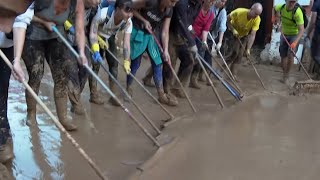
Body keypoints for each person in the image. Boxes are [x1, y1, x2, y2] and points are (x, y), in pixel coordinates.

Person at [21, 0, 88, 131]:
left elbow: (80, 30)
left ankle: (63, 118)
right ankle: (31, 113)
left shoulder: (78, 3)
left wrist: (81, 52)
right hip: (33, 32)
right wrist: (43, 22)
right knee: (36, 74)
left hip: (56, 34)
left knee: (61, 76)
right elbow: (23, 13)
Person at [126, 0, 179, 106]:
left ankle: (161, 95)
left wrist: (166, 50)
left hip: (151, 35)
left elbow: (165, 31)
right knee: (135, 64)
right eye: (172, 1)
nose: (173, 5)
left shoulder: (169, 10)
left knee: (158, 62)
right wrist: (144, 20)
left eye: (175, 2)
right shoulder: (151, 2)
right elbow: (130, 8)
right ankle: (128, 87)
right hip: (138, 31)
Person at [0, 3, 30, 165]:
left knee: (2, 90)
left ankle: (2, 138)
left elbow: (19, 23)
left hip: (6, 48)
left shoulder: (27, 4)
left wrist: (17, 60)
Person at [89, 0, 133, 106]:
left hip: (109, 36)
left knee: (114, 64)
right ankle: (93, 94)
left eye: (131, 11)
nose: (129, 14)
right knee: (96, 65)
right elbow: (92, 33)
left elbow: (126, 44)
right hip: (95, 34)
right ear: (117, 9)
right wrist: (95, 50)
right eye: (126, 10)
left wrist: (127, 60)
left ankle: (113, 95)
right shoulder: (103, 14)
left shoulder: (128, 22)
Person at [227, 3, 262, 80]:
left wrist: (248, 49)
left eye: (258, 14)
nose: (256, 16)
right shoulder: (239, 12)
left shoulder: (257, 19)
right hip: (234, 33)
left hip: (244, 35)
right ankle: (222, 69)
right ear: (251, 9)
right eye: (255, 13)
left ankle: (233, 74)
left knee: (240, 55)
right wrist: (233, 30)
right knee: (235, 52)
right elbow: (227, 20)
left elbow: (252, 34)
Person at [274, 0, 304, 85]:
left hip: (294, 35)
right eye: (290, 1)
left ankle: (287, 76)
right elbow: (274, 9)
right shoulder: (281, 7)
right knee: (283, 55)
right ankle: (284, 74)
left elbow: (301, 30)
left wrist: (295, 42)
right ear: (286, 1)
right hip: (284, 34)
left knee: (291, 54)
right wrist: (275, 18)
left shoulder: (297, 12)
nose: (292, 4)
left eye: (294, 2)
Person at [199, 0, 227, 84]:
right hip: (201, 34)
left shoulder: (222, 12)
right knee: (200, 55)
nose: (222, 3)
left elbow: (222, 27)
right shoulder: (209, 6)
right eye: (221, 1)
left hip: (211, 36)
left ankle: (205, 75)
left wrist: (220, 43)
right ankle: (195, 76)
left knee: (208, 56)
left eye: (224, 2)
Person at [189, 0, 215, 89]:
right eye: (210, 1)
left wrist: (204, 41)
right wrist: (189, 28)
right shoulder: (197, 8)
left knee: (200, 59)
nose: (211, 3)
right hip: (189, 35)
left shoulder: (211, 14)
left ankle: (193, 80)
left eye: (213, 2)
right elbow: (189, 20)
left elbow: (206, 28)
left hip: (199, 37)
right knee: (189, 58)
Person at [307, 0, 320, 76]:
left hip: (318, 33)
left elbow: (312, 22)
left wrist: (308, 34)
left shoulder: (317, 3)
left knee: (315, 55)